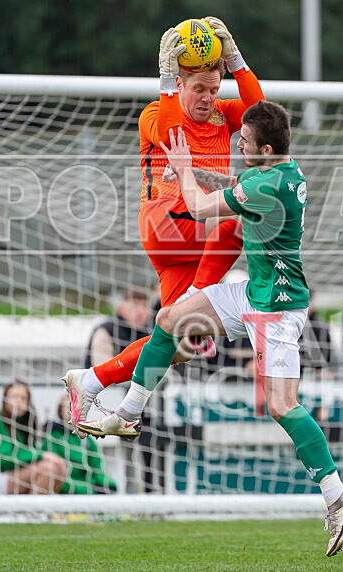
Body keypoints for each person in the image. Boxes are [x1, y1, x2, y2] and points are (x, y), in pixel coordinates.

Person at [76, 101, 343, 556]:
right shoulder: (281, 169)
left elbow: (197, 207)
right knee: (169, 318)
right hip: (253, 293)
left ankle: (337, 497)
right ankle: (129, 412)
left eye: (244, 141)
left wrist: (183, 169)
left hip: (277, 309)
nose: (237, 144)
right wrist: (198, 174)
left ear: (265, 149)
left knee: (281, 406)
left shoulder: (267, 184)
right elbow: (233, 186)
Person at [64, 16, 265, 433]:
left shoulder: (224, 116)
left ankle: (92, 382)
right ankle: (197, 294)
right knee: (247, 211)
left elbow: (261, 115)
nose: (207, 98)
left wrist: (237, 62)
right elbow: (174, 134)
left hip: (195, 238)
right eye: (198, 89)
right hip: (167, 223)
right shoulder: (155, 112)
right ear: (181, 84)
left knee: (177, 340)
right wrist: (167, 78)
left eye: (214, 90)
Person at [0, 380, 67, 494]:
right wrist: (43, 455)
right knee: (48, 469)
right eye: (14, 396)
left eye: (23, 398)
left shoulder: (25, 424)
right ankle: (32, 506)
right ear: (5, 400)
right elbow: (5, 459)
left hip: (16, 477)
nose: (19, 401)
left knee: (60, 469)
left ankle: (32, 504)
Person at [40, 394, 118, 494]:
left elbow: (97, 466)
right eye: (68, 408)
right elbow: (54, 472)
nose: (72, 412)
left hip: (88, 486)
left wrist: (108, 485)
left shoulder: (86, 439)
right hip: (64, 487)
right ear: (60, 411)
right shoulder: (53, 437)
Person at [84, 287, 152, 369]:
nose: (140, 311)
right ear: (120, 308)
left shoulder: (151, 332)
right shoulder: (106, 331)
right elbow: (102, 368)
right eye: (134, 305)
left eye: (144, 306)